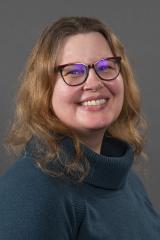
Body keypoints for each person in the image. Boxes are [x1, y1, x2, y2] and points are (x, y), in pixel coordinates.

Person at [0, 16, 160, 240]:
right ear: (45, 88)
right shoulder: (29, 190)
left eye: (106, 67)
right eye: (73, 71)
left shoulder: (126, 180)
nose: (94, 83)